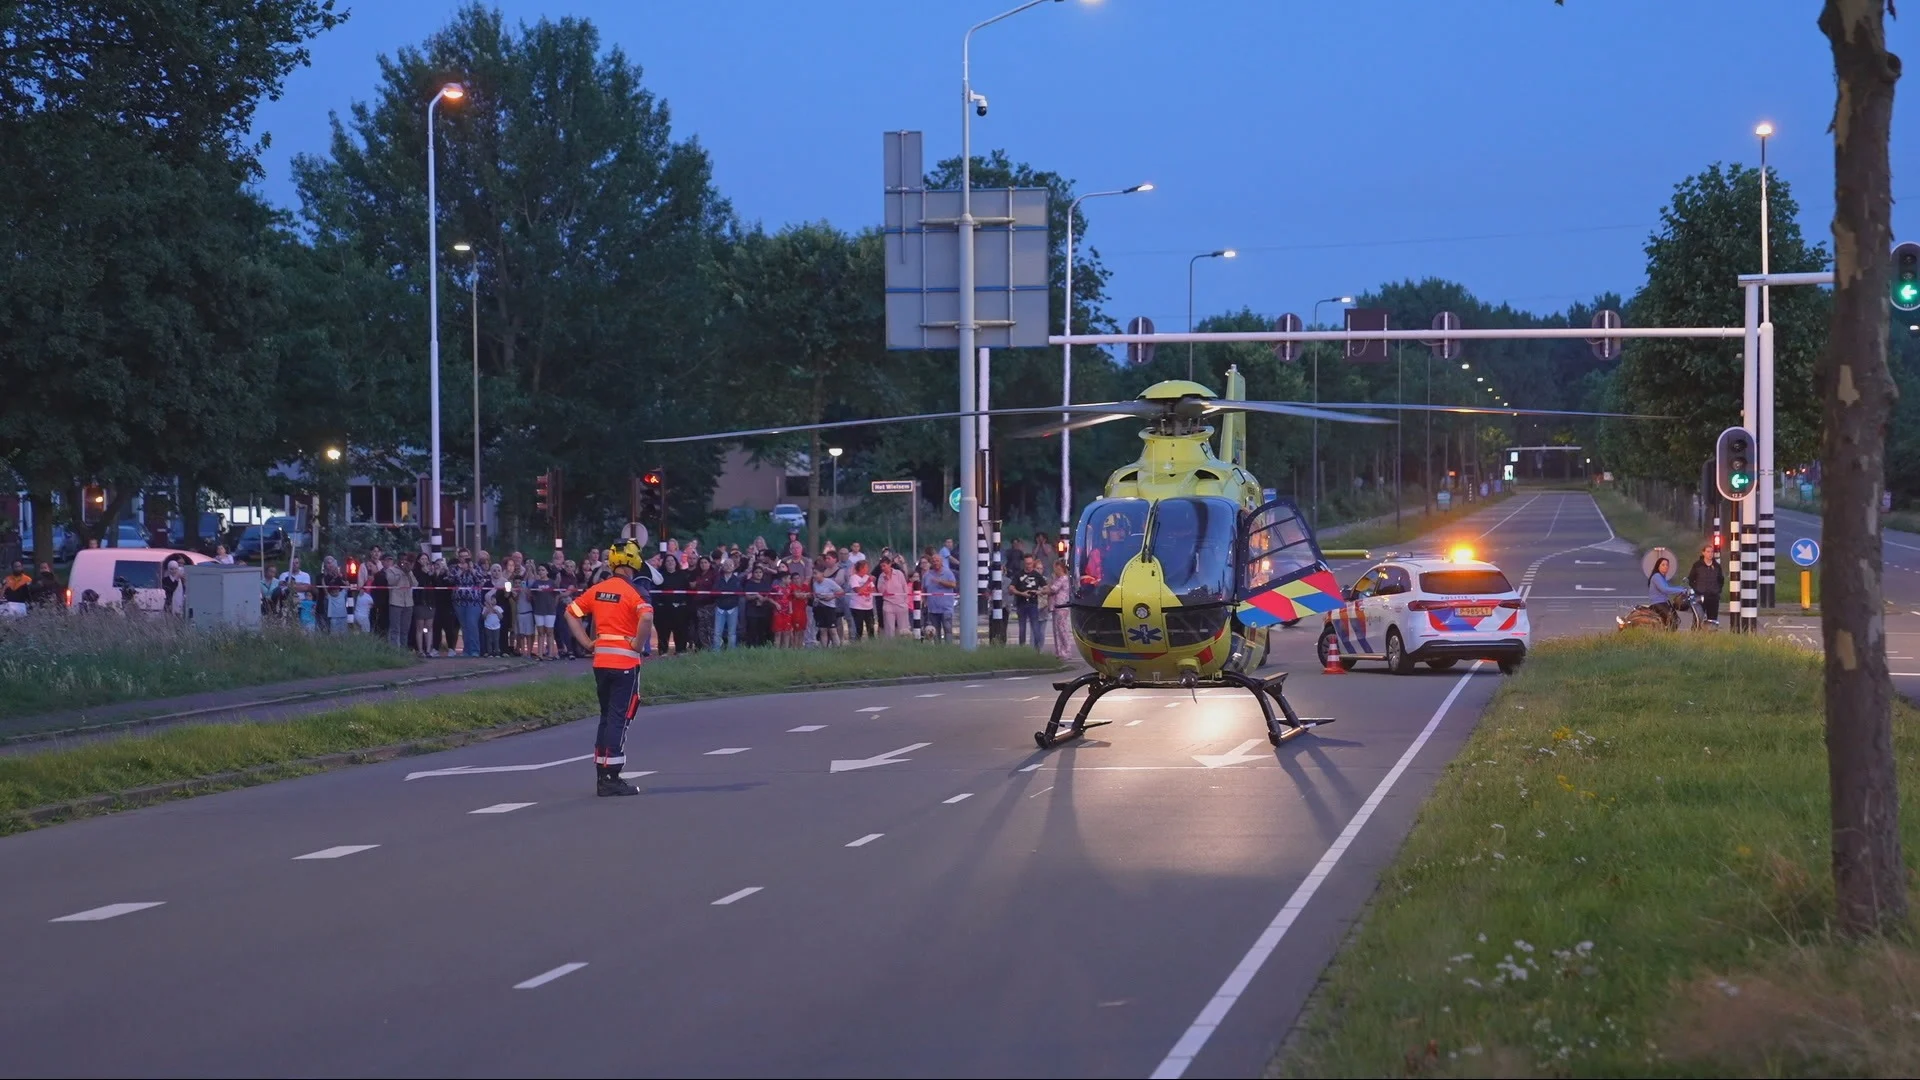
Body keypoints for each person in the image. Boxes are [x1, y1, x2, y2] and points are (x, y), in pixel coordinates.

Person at [562, 539, 655, 797]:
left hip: (601, 662)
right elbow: (647, 617)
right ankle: (612, 776)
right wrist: (638, 644)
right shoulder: (635, 591)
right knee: (619, 718)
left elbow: (570, 613)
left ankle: (602, 774)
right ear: (634, 562)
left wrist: (586, 643)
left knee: (606, 717)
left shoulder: (599, 589)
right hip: (625, 663)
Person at [1646, 555, 1691, 628]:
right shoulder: (1657, 576)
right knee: (1672, 620)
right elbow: (1665, 589)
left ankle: (1666, 632)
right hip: (1657, 603)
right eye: (1663, 565)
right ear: (1658, 566)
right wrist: (1681, 590)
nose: (1665, 566)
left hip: (1663, 602)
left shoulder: (1662, 576)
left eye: (1667, 565)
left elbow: (1668, 588)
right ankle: (1667, 634)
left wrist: (1682, 588)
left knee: (1675, 620)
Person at [1687, 546, 1723, 626]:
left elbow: (1721, 580)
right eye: (1708, 551)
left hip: (1713, 597)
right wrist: (1697, 589)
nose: (1710, 554)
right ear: (1703, 553)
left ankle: (1711, 632)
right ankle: (1696, 632)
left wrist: (1717, 590)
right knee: (1698, 619)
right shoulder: (1697, 565)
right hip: (1700, 596)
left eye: (1712, 552)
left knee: (1712, 620)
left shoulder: (1717, 566)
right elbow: (1691, 579)